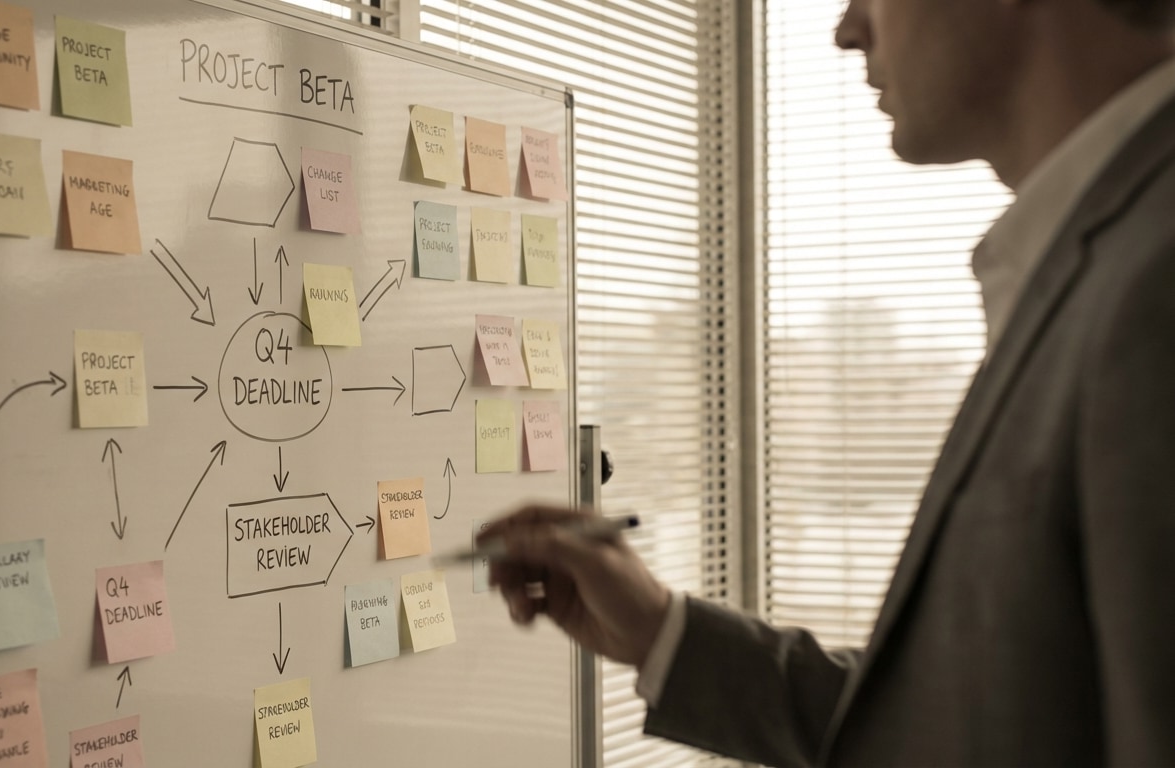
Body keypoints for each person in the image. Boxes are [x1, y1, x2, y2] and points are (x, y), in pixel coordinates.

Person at [479, 0, 1175, 765]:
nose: (847, 30)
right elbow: (961, 722)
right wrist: (660, 632)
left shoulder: (1154, 282)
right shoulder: (1099, 261)